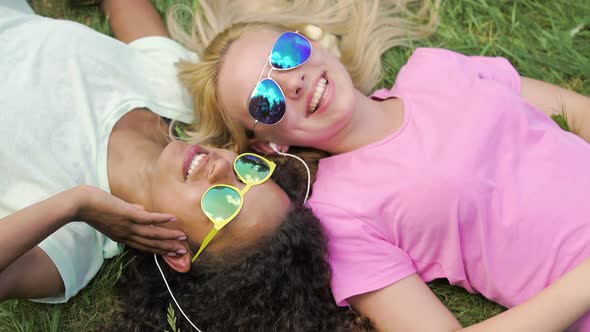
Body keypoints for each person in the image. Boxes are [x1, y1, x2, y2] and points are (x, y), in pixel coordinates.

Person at [174, 0, 590, 330]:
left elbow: (574, 109)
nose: (293, 81)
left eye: (286, 53)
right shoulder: (339, 217)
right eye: (266, 100)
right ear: (269, 143)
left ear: (311, 42)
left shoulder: (434, 67)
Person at [0, 1, 371, 331]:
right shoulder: (172, 92)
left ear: (178, 252)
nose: (219, 169)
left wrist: (75, 204)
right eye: (249, 171)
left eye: (225, 203)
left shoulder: (70, 243)